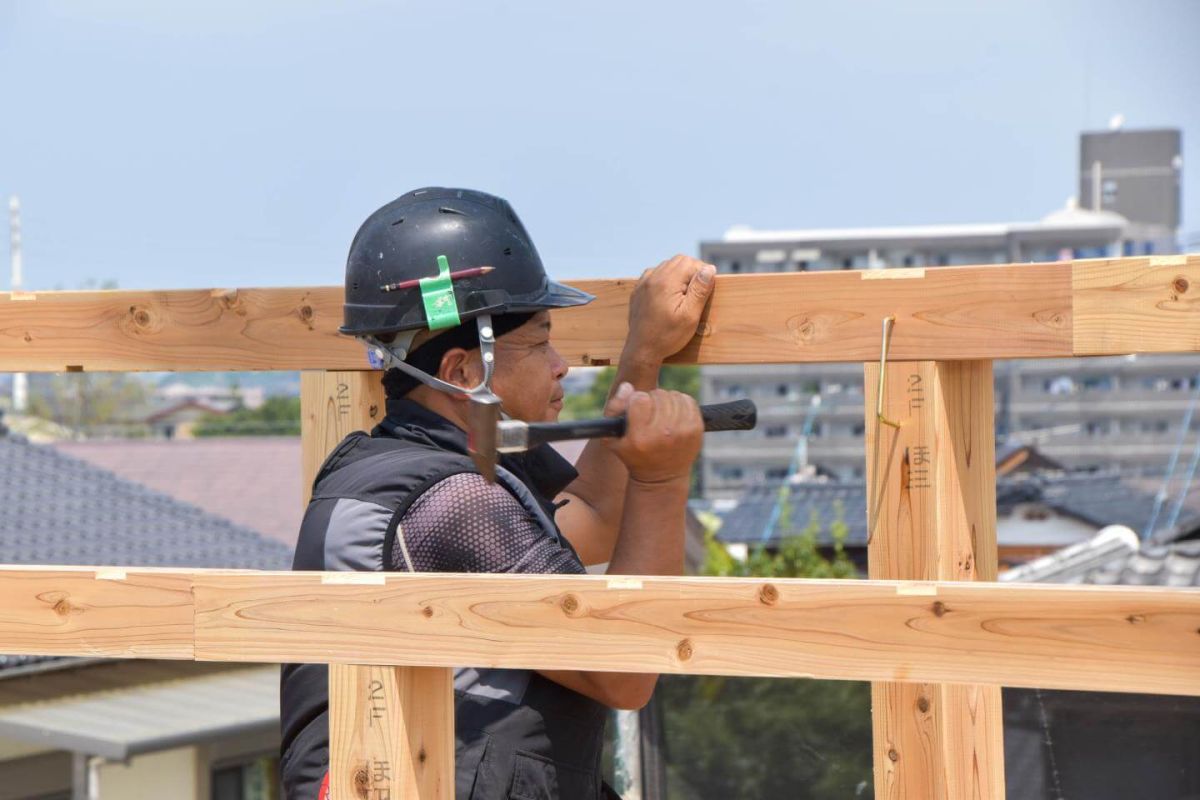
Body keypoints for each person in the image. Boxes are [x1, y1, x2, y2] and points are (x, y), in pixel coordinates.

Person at [280, 187, 716, 799]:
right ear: (462, 371)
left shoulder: (405, 462)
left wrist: (643, 353)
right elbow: (623, 674)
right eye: (539, 341)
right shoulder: (453, 501)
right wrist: (662, 478)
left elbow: (592, 514)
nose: (561, 363)